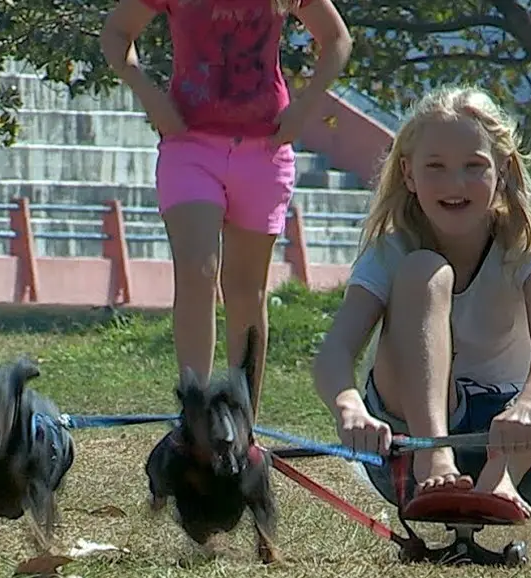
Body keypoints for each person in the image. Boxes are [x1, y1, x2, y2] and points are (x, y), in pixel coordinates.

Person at [312, 85, 531, 520]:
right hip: (410, 452)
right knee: (424, 270)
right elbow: (335, 351)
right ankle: (434, 458)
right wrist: (349, 410)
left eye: (474, 166)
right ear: (408, 173)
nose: (454, 184)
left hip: (527, 446)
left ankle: (502, 475)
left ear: (504, 170)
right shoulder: (391, 250)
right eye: (434, 166)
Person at [100, 0, 352, 418]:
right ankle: (194, 414)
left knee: (246, 293)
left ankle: (242, 422)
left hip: (265, 151)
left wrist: (305, 106)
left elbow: (336, 39)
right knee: (198, 272)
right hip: (190, 146)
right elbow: (115, 33)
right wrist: (150, 96)